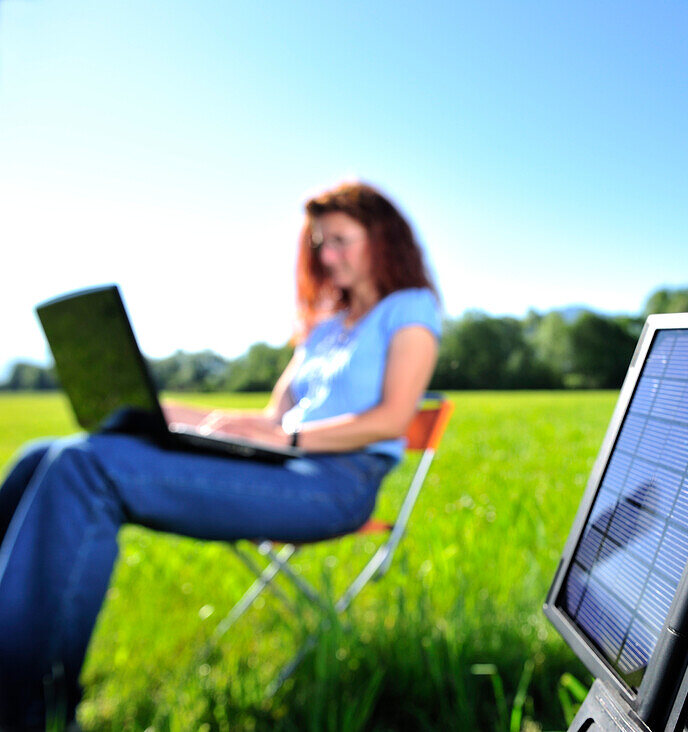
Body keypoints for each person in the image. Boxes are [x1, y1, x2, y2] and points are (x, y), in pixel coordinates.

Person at [0, 181, 442, 728]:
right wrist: (173, 415)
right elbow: (273, 418)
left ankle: (23, 713)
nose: (328, 256)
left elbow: (392, 417)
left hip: (337, 485)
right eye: (321, 244)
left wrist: (295, 439)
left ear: (383, 238)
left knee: (83, 468)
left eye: (341, 241)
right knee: (43, 453)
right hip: (281, 467)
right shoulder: (325, 328)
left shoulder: (410, 309)